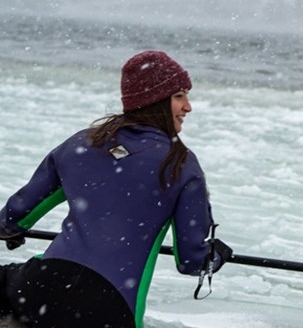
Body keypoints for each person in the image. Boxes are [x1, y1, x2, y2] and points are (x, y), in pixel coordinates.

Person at [0, 50, 231, 328]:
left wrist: (12, 232)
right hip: (109, 310)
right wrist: (217, 254)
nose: (188, 107)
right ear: (155, 101)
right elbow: (192, 261)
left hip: (41, 287)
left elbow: (14, 216)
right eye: (179, 97)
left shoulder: (81, 144)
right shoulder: (180, 165)